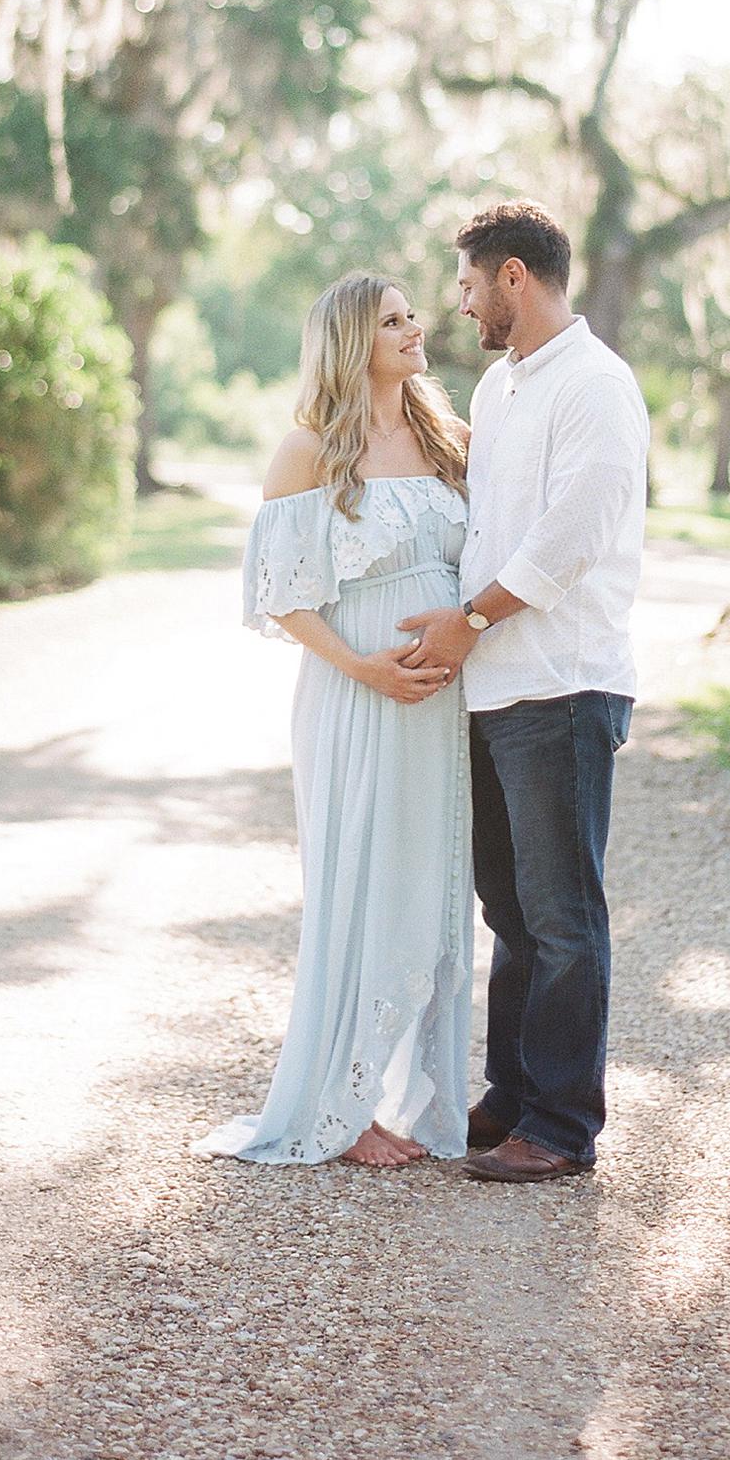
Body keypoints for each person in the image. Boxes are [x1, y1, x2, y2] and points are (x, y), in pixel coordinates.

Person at [192, 271, 473, 1169]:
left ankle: (413, 1095)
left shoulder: (445, 435)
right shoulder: (310, 449)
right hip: (357, 697)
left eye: (412, 314)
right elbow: (281, 596)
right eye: (392, 320)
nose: (414, 327)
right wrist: (364, 669)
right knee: (363, 886)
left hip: (439, 705)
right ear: (353, 341)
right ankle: (341, 1108)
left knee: (431, 889)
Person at [397, 202, 650, 1185]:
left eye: (466, 285)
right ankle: (510, 1093)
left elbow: (573, 532)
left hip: (563, 680)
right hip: (493, 685)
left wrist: (473, 618)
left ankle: (561, 1123)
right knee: (506, 906)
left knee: (560, 911)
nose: (460, 307)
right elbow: (485, 522)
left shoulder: (597, 383)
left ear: (512, 275)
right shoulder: (501, 387)